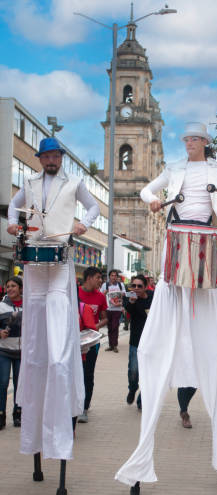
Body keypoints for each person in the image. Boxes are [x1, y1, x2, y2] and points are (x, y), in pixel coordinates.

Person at [115, 121, 217, 491]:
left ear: (205, 142)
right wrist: (153, 200)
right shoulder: (173, 169)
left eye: (195, 139)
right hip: (178, 238)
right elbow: (146, 190)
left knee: (211, 323)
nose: (190, 144)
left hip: (208, 240)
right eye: (187, 139)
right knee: (170, 311)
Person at [7, 136, 99, 462]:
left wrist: (82, 224)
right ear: (40, 158)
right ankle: (33, 394)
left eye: (54, 155)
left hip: (60, 259)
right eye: (45, 156)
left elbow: (94, 207)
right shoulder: (29, 183)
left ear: (60, 157)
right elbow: (14, 207)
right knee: (34, 330)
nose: (50, 160)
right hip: (34, 260)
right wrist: (12, 226)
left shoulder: (75, 182)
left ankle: (60, 368)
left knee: (58, 324)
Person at [77, 267, 108, 423]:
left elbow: (105, 318)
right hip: (74, 343)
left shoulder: (101, 297)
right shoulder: (74, 293)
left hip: (92, 343)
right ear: (88, 278)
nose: (100, 280)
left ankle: (84, 407)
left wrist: (95, 327)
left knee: (88, 374)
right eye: (98, 277)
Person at [125, 274, 153, 409]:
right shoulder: (129, 298)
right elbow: (128, 310)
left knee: (149, 373)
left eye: (139, 286)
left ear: (145, 287)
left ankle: (142, 400)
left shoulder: (154, 297)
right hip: (136, 341)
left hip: (153, 343)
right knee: (134, 371)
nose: (136, 288)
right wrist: (131, 302)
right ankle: (132, 388)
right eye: (133, 286)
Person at [0, 276, 23, 430]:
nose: (10, 289)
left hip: (23, 353)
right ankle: (1, 416)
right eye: (8, 286)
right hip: (4, 351)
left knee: (19, 385)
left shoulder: (29, 305)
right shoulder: (1, 306)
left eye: (13, 286)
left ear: (21, 288)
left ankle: (18, 414)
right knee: (2, 384)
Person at [101, 270, 126, 353]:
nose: (114, 277)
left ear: (117, 277)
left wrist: (121, 294)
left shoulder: (120, 284)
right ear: (109, 276)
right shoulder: (105, 285)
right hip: (108, 309)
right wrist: (105, 292)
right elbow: (101, 295)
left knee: (115, 326)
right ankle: (110, 345)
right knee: (110, 327)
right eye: (112, 275)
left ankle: (115, 345)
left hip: (117, 309)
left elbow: (124, 294)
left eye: (115, 275)